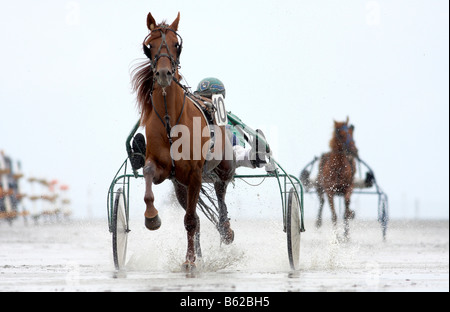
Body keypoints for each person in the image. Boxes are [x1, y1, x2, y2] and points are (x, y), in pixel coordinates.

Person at [194, 77, 275, 172]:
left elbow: (239, 142)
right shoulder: (195, 115)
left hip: (226, 156)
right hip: (197, 153)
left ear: (219, 99)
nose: (205, 101)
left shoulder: (229, 118)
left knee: (228, 138)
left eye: (209, 97)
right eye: (202, 97)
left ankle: (254, 156)